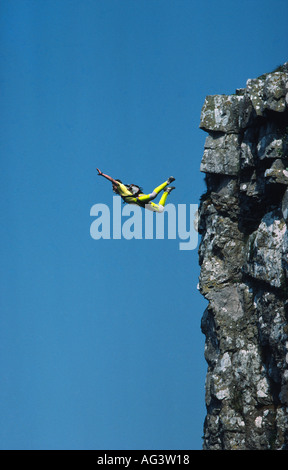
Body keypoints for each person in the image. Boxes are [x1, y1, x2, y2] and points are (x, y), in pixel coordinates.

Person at [96, 168, 175, 212]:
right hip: (141, 203)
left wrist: (102, 174)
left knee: (153, 195)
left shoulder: (120, 186)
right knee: (160, 210)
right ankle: (166, 191)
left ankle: (167, 182)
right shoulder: (121, 194)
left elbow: (111, 179)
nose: (113, 188)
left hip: (139, 198)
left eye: (113, 186)